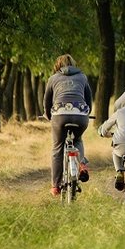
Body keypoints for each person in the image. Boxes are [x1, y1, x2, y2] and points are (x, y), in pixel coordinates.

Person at [43, 54, 92, 196]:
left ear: (58, 65)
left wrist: (48, 116)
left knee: (57, 147)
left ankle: (55, 186)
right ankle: (82, 163)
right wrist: (86, 113)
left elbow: (47, 102)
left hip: (59, 115)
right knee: (77, 140)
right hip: (81, 114)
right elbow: (89, 100)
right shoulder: (82, 77)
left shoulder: (53, 79)